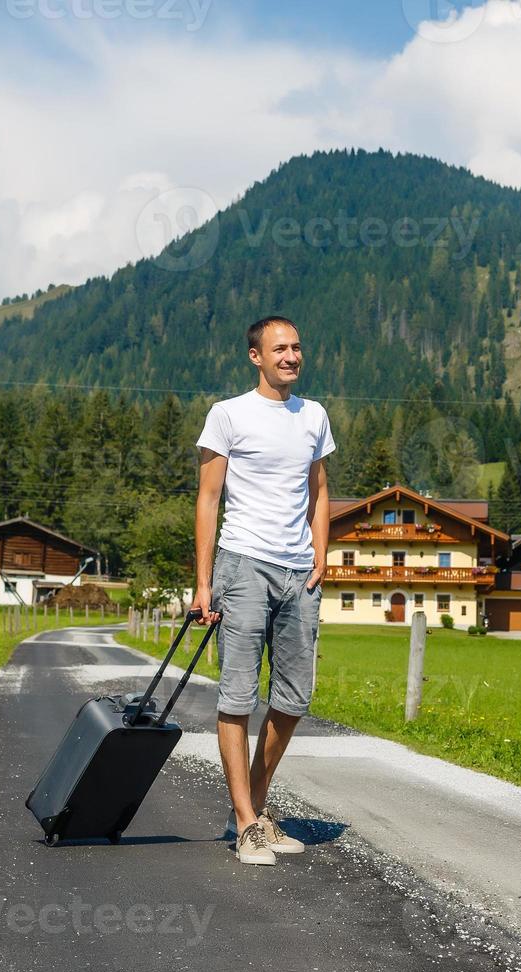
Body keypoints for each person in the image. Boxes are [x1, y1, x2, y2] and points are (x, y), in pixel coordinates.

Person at [191, 315, 335, 866]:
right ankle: (247, 823)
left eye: (297, 347)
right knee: (237, 695)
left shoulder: (314, 415)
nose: (292, 357)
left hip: (300, 573)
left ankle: (252, 804)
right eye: (280, 349)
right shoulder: (228, 414)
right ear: (256, 357)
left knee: (294, 698)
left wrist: (321, 555)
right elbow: (208, 499)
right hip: (243, 565)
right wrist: (204, 582)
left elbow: (319, 490)